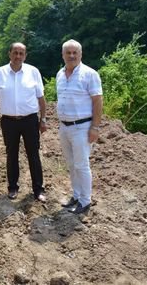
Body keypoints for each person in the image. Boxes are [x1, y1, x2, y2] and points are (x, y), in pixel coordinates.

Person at [0, 42, 48, 202]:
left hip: (30, 121)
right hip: (9, 122)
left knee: (33, 154)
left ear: (25, 56)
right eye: (15, 52)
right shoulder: (0, 73)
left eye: (21, 53)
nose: (18, 56)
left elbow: (41, 99)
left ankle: (38, 189)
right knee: (11, 155)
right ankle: (13, 187)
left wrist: (43, 120)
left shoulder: (33, 72)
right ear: (10, 54)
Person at [56, 39, 103, 215]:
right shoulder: (60, 74)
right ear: (63, 55)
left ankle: (85, 201)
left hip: (82, 127)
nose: (72, 55)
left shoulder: (90, 74)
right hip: (64, 127)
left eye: (75, 52)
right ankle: (76, 196)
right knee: (71, 164)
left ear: (81, 54)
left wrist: (95, 127)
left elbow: (97, 101)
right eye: (68, 52)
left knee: (82, 165)